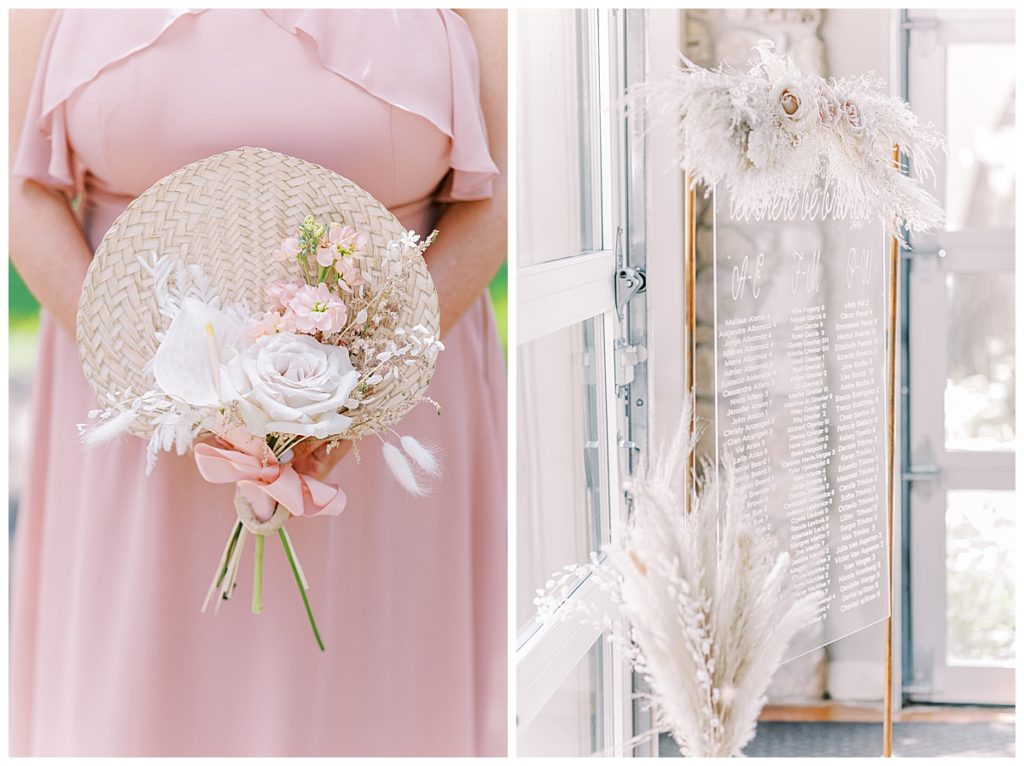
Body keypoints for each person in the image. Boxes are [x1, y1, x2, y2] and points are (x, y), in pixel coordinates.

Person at [9, 9, 507, 756]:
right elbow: (18, 193)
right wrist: (163, 390)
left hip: (387, 420)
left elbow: (502, 195)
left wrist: (358, 394)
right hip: (134, 422)